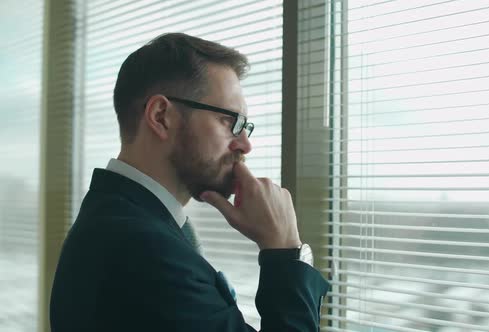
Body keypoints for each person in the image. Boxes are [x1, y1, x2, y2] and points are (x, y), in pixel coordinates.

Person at [50, 32, 329, 331]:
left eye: (245, 126)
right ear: (160, 116)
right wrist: (284, 249)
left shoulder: (117, 221)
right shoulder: (146, 251)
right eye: (230, 121)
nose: (245, 145)